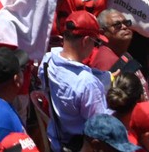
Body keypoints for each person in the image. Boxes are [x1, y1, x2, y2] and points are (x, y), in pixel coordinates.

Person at [44, 12, 111, 152]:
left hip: (55, 141)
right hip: (79, 147)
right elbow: (101, 129)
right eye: (95, 42)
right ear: (86, 41)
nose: (94, 46)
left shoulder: (47, 60)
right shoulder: (87, 83)